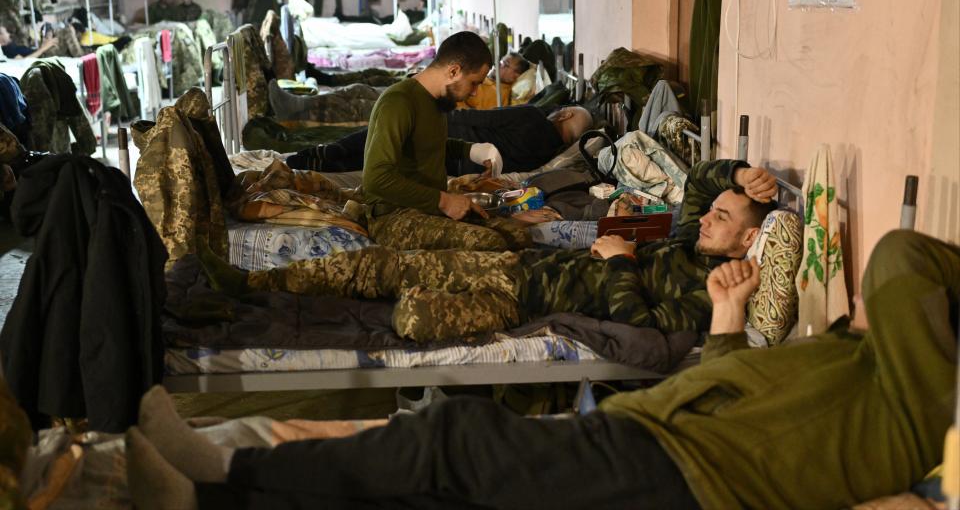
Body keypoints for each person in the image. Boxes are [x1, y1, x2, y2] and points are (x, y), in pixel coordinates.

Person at [125, 229, 959, 509]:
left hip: (680, 469)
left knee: (451, 437)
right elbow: (749, 395)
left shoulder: (913, 407)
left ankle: (224, 480)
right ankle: (224, 492)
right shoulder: (872, 366)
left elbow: (900, 257)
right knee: (437, 488)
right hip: (662, 433)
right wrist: (730, 326)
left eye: (729, 220)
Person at [199, 158, 777, 342]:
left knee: (401, 311)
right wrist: (741, 174)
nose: (704, 219)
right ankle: (251, 286)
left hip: (525, 300)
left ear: (749, 241)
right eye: (710, 212)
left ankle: (255, 313)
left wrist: (620, 262)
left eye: (722, 218)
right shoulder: (691, 240)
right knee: (382, 265)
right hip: (519, 266)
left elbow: (641, 326)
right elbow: (703, 181)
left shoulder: (713, 294)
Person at [358, 30, 532, 251]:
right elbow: (375, 178)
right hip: (394, 215)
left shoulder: (435, 101)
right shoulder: (398, 102)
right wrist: (443, 200)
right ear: (453, 71)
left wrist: (472, 150)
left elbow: (425, 143)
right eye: (474, 83)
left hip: (427, 208)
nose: (475, 93)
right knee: (491, 243)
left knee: (519, 236)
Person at [285, 104, 594, 175]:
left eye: (564, 108)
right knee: (383, 161)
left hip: (452, 138)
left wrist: (437, 115)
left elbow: (479, 118)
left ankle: (320, 154)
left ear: (564, 115)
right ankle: (323, 166)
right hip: (455, 168)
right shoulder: (548, 156)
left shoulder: (532, 116)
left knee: (382, 135)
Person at [456, 51, 531, 110]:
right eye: (501, 61)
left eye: (505, 64)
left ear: (515, 76)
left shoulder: (497, 95)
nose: (497, 64)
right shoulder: (488, 80)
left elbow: (474, 116)